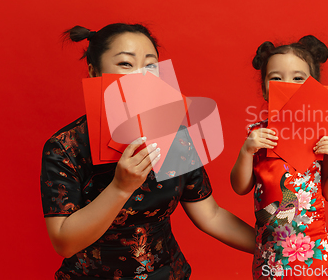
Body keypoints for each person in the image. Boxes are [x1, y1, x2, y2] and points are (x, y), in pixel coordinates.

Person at [41, 23, 254, 280]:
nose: (141, 75)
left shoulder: (176, 136)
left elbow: (211, 215)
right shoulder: (66, 146)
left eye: (150, 66)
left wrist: (274, 248)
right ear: (93, 72)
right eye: (126, 64)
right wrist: (120, 187)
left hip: (169, 274)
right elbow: (64, 243)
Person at [230, 36, 328, 279]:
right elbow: (240, 187)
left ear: (313, 86)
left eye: (298, 78)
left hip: (313, 250)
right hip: (270, 251)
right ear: (264, 88)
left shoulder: (321, 134)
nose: (287, 84)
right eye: (276, 78)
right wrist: (246, 152)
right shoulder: (258, 134)